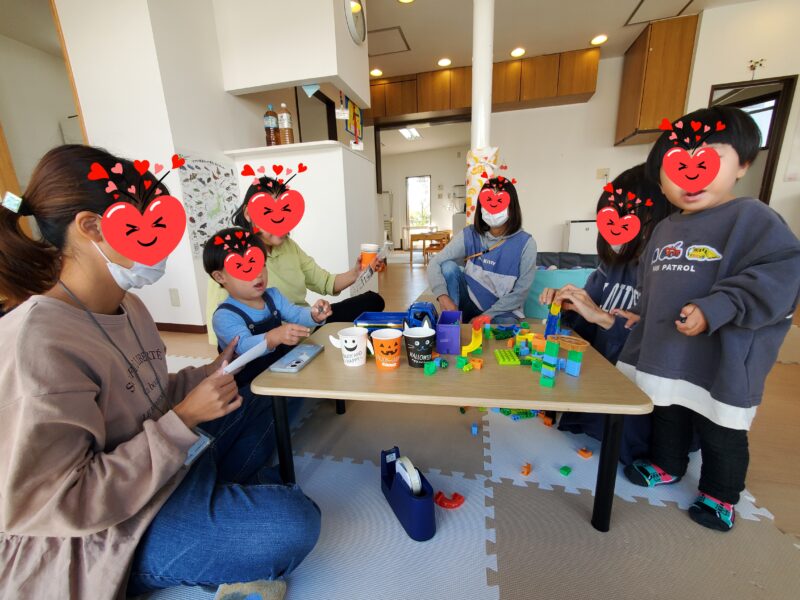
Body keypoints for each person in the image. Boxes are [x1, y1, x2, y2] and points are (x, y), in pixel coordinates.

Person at [0, 145, 320, 599]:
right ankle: (206, 525)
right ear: (92, 227)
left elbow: (145, 391)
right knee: (293, 521)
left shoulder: (128, 304)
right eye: (143, 225)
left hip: (163, 467)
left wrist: (208, 373)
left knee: (272, 393)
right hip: (105, 529)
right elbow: (62, 501)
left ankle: (215, 511)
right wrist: (184, 419)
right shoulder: (35, 343)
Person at [614, 106, 800, 531]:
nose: (690, 176)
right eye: (677, 165)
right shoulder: (664, 228)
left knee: (722, 429)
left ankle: (720, 494)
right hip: (666, 350)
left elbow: (781, 276)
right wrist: (641, 313)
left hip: (721, 358)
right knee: (668, 411)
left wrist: (717, 306)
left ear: (743, 164)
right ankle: (667, 463)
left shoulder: (753, 218)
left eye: (708, 160)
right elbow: (652, 282)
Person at [539, 164, 674, 464]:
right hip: (598, 384)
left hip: (636, 398)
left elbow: (661, 345)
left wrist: (605, 319)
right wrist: (566, 307)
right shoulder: (611, 266)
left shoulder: (665, 272)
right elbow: (584, 324)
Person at [206, 176, 385, 345]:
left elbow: (325, 282)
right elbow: (223, 325)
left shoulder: (289, 247)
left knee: (373, 300)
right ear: (249, 214)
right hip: (271, 340)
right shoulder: (232, 254)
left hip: (305, 321)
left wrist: (357, 272)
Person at [204, 226, 331, 398]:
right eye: (243, 268)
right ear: (220, 277)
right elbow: (243, 347)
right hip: (250, 387)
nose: (257, 274)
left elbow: (295, 314)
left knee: (322, 375)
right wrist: (272, 338)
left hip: (280, 370)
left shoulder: (273, 295)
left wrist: (313, 315)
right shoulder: (224, 316)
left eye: (260, 264)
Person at [428, 177, 537, 324]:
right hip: (468, 302)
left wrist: (486, 316)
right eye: (488, 200)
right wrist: (442, 296)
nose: (493, 206)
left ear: (512, 206)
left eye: (500, 201)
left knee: (506, 328)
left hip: (501, 311)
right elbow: (435, 262)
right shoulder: (469, 234)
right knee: (448, 266)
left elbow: (521, 292)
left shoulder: (526, 244)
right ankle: (452, 321)